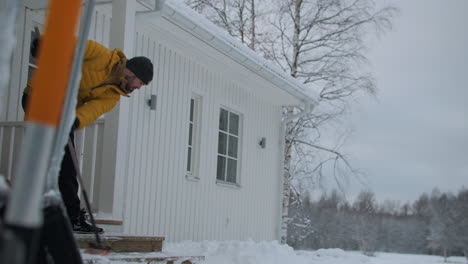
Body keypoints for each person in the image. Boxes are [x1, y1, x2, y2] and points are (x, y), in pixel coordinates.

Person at [22, 38, 153, 233]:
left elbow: (92, 109)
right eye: (140, 82)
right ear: (130, 72)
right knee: (60, 160)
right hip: (39, 94)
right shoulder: (100, 55)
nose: (139, 87)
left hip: (62, 114)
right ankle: (54, 213)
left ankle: (67, 215)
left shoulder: (113, 95)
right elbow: (72, 44)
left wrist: (75, 120)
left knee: (65, 165)